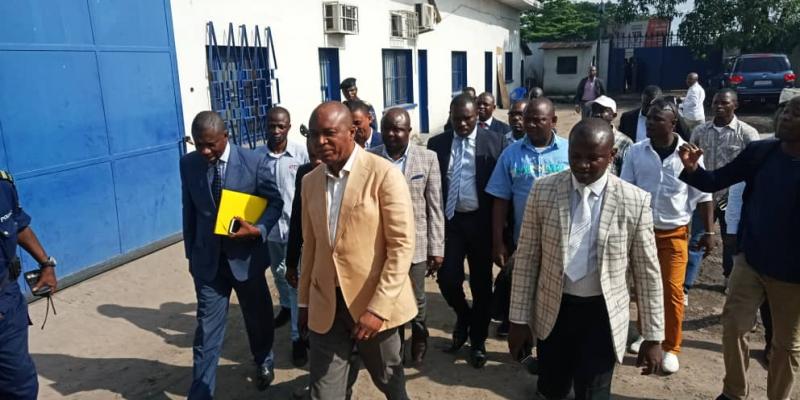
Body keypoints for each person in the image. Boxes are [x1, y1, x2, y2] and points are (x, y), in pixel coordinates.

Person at [508, 119, 665, 400]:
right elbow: (527, 258)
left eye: (593, 158)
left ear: (611, 156)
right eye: (576, 156)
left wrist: (653, 336)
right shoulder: (543, 190)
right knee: (551, 387)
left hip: (602, 315)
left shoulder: (634, 200)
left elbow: (647, 272)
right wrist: (519, 320)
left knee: (593, 391)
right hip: (554, 311)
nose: (582, 165)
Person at [678, 96, 800, 400]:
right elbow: (718, 179)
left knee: (786, 345)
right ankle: (734, 392)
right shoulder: (762, 152)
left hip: (793, 275)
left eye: (795, 115)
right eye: (784, 110)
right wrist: (694, 170)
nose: (784, 117)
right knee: (733, 326)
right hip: (752, 261)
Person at [298, 102, 416, 400]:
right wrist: (303, 303)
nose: (320, 142)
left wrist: (378, 309)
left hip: (372, 304)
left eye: (329, 133)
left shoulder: (383, 174)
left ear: (352, 132)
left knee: (390, 381)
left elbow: (401, 246)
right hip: (327, 304)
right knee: (324, 392)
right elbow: (310, 246)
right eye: (313, 135)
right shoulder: (309, 182)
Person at [180, 111, 283, 398]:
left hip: (246, 260)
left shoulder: (253, 161)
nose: (204, 151)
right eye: (199, 144)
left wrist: (259, 230)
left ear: (226, 136)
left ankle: (264, 359)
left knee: (258, 318)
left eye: (211, 144)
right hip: (207, 263)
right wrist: (191, 257)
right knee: (206, 331)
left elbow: (275, 203)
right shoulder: (188, 164)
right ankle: (200, 393)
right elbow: (189, 211)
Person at [620, 99, 715, 374]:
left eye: (656, 119)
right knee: (644, 289)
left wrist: (708, 231)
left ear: (672, 123)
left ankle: (671, 347)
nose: (649, 123)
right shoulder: (636, 152)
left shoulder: (689, 155)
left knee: (672, 291)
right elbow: (626, 191)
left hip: (674, 234)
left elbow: (704, 196)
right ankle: (647, 335)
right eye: (648, 118)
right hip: (642, 233)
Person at [427, 94, 505, 368]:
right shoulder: (436, 144)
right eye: (457, 118)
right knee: (447, 279)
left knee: (482, 284)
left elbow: (501, 193)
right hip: (451, 223)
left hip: (481, 224)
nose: (462, 124)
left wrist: (500, 237)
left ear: (477, 117)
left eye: (468, 118)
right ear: (450, 115)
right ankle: (465, 315)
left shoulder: (495, 143)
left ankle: (478, 340)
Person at [485, 97, 570, 339]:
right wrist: (498, 241)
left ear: (552, 121)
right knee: (522, 289)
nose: (531, 125)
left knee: (554, 295)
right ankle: (521, 338)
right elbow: (500, 199)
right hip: (523, 239)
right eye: (527, 119)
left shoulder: (569, 151)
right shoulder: (511, 154)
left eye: (538, 120)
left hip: (562, 240)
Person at [369, 108, 445, 367]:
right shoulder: (371, 159)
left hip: (416, 244)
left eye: (399, 129)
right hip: (381, 245)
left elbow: (435, 207)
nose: (392, 134)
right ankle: (395, 346)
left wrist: (437, 247)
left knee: (418, 298)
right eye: (388, 128)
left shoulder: (428, 159)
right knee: (389, 297)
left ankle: (420, 335)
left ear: (409, 132)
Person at [683, 89, 760, 300]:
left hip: (732, 198)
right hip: (704, 195)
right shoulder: (700, 131)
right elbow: (691, 163)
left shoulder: (747, 134)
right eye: (716, 102)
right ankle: (686, 286)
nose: (719, 106)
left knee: (731, 241)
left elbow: (753, 167)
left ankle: (730, 278)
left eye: (724, 103)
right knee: (697, 239)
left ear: (735, 105)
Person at [258, 107, 310, 367]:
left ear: (289, 127)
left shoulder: (300, 154)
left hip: (295, 231)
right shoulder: (258, 157)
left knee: (294, 280)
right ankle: (287, 309)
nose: (276, 131)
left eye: (281, 126)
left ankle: (297, 337)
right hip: (270, 231)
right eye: (271, 126)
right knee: (278, 275)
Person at [0, 171, 58, 400]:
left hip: (7, 299)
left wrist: (46, 263)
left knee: (19, 386)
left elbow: (18, 223)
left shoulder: (3, 186)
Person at [589, 95, 633, 176]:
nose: (597, 114)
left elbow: (627, 174)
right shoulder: (585, 137)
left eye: (602, 110)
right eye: (594, 110)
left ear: (614, 115)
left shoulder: (624, 142)